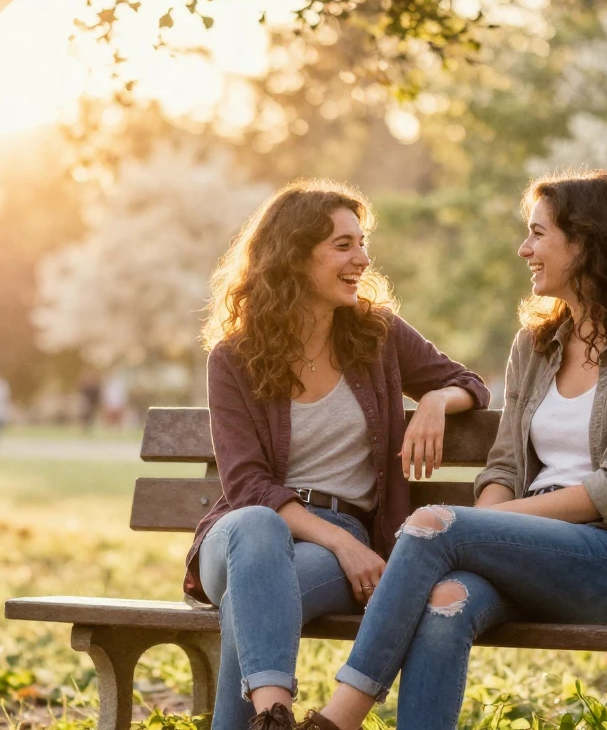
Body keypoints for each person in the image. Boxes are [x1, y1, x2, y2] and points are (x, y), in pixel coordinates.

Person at [296, 171, 607, 730]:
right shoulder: (536, 345)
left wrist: (480, 526)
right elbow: (506, 465)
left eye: (538, 234)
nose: (525, 249)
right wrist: (484, 528)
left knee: (431, 524)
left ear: (586, 242)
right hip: (525, 551)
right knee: (446, 602)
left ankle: (338, 719)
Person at [188, 180, 490, 730]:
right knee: (256, 528)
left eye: (362, 242)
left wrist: (435, 403)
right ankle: (276, 715)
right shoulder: (234, 358)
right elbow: (247, 484)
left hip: (330, 541)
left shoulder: (377, 336)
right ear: (294, 256)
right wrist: (344, 547)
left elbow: (468, 382)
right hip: (244, 537)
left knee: (246, 607)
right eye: (343, 245)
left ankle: (269, 718)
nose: (362, 258)